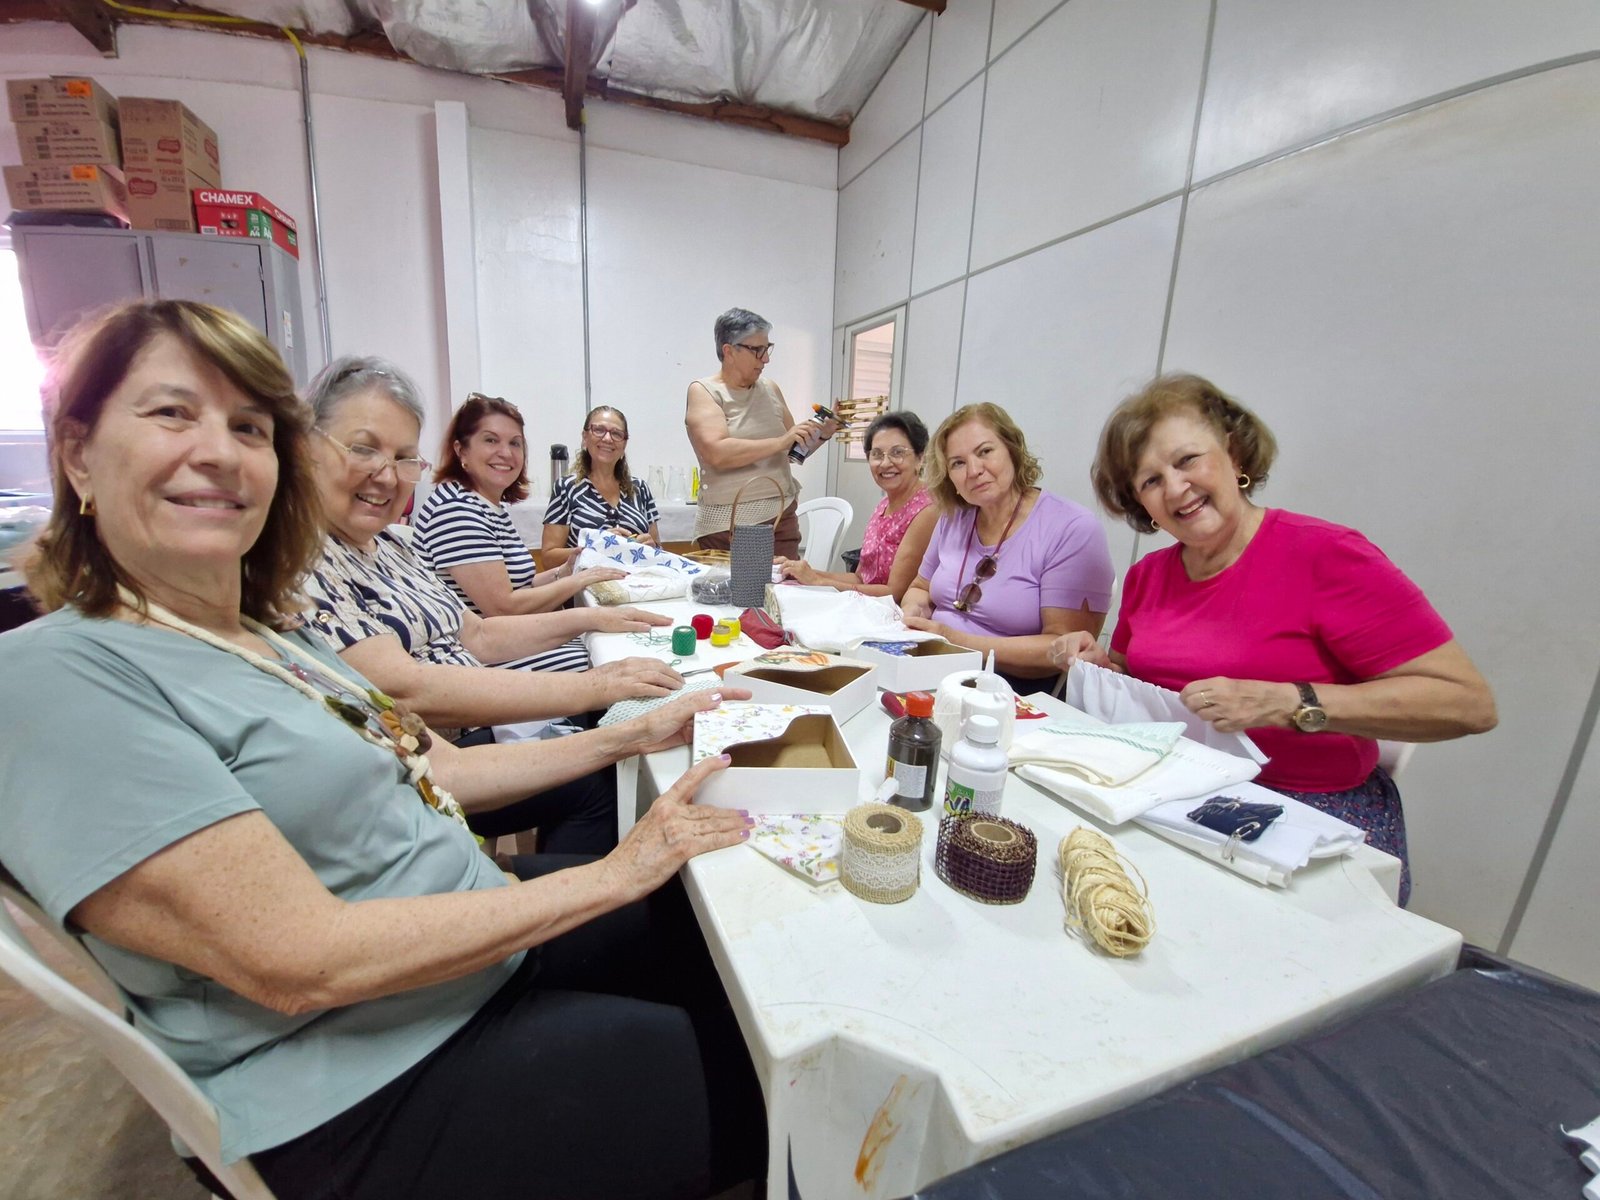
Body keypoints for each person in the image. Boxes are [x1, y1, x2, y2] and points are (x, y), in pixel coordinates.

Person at [0, 299, 764, 1200]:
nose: (219, 452)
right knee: (773, 1092)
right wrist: (613, 873)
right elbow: (302, 959)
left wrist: (629, 733)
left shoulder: (265, 632)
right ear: (78, 453)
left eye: (248, 427)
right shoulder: (57, 677)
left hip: (457, 953)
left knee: (720, 944)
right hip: (366, 1073)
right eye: (172, 412)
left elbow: (442, 768)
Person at [1053, 373, 1497, 905]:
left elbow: (1468, 705)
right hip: (1175, 798)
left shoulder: (1325, 556)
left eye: (1187, 460)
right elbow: (1136, 677)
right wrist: (1098, 667)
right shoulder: (1149, 576)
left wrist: (1288, 702)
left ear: (1235, 454)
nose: (1174, 488)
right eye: (1150, 481)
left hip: (1308, 817)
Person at [300, 357, 687, 852]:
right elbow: (414, 683)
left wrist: (595, 616)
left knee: (613, 729)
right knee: (606, 763)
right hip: (433, 754)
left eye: (403, 458)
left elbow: (479, 634)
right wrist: (595, 684)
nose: (386, 475)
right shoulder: (310, 561)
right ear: (303, 449)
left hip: (447, 739)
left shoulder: (390, 544)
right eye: (362, 449)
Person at [901, 402, 1113, 695]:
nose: (974, 470)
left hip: (1006, 688)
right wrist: (912, 613)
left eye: (985, 451)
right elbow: (920, 587)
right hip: (931, 664)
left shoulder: (1072, 527)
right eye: (957, 463)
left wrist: (952, 640)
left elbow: (1061, 651)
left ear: (1013, 450)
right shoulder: (953, 516)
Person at [413, 393, 628, 678]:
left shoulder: (487, 506)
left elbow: (521, 586)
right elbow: (504, 608)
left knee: (610, 642)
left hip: (502, 643)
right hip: (470, 661)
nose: (506, 453)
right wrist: (578, 581)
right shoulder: (456, 509)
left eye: (515, 443)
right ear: (461, 450)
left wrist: (564, 571)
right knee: (615, 656)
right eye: (491, 440)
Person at [685, 307, 840, 560]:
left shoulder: (770, 388)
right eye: (757, 350)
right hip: (729, 524)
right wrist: (781, 441)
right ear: (729, 351)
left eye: (767, 348)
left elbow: (792, 451)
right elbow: (717, 453)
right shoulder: (704, 391)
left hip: (781, 516)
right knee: (736, 586)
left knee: (786, 583)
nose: (765, 359)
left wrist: (822, 434)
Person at [776, 410, 936, 602]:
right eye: (877, 454)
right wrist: (800, 571)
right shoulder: (884, 505)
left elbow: (895, 594)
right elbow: (860, 578)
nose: (885, 463)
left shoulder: (926, 510)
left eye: (898, 453)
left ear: (920, 458)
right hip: (867, 605)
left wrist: (819, 581)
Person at [541, 404, 662, 568]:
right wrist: (598, 546)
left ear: (624, 444)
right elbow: (548, 559)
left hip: (636, 581)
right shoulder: (566, 488)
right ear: (585, 437)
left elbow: (659, 550)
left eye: (616, 434)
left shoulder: (640, 488)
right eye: (599, 430)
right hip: (587, 583)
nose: (607, 438)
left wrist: (652, 547)